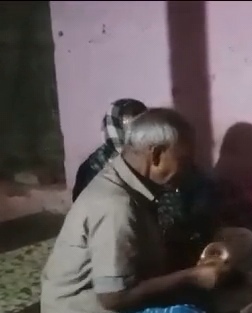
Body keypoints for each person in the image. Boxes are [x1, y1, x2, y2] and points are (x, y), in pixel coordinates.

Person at [40, 108, 232, 313]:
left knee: (201, 299)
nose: (188, 169)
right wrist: (191, 276)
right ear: (156, 155)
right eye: (184, 160)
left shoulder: (134, 185)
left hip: (120, 309)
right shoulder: (115, 206)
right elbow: (114, 298)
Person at [72, 98, 219, 268]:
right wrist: (194, 277)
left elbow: (200, 195)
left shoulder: (170, 160)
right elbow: (114, 280)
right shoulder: (102, 179)